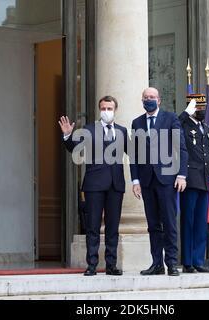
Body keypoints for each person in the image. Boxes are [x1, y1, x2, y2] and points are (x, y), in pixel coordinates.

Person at [58, 96, 128, 276]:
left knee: (113, 227)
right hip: (94, 185)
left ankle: (111, 265)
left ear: (115, 109)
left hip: (115, 185)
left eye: (109, 108)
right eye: (103, 108)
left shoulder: (121, 131)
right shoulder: (89, 130)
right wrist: (67, 136)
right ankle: (92, 264)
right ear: (99, 110)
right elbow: (74, 149)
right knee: (93, 226)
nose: (106, 111)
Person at [130, 87, 188, 277]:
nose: (149, 99)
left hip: (167, 180)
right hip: (146, 181)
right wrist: (135, 180)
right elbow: (134, 155)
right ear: (142, 100)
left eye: (152, 97)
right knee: (153, 224)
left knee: (169, 222)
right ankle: (156, 264)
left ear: (159, 100)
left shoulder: (170, 118)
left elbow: (181, 148)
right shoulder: (137, 122)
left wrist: (181, 175)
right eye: (146, 97)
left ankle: (171, 263)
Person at [178, 94, 209, 273]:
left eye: (203, 107)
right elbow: (172, 128)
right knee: (188, 221)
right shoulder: (183, 125)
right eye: (198, 108)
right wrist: (185, 114)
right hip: (190, 180)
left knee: (200, 222)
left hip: (205, 180)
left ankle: (198, 260)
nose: (202, 111)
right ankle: (188, 261)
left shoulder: (204, 128)